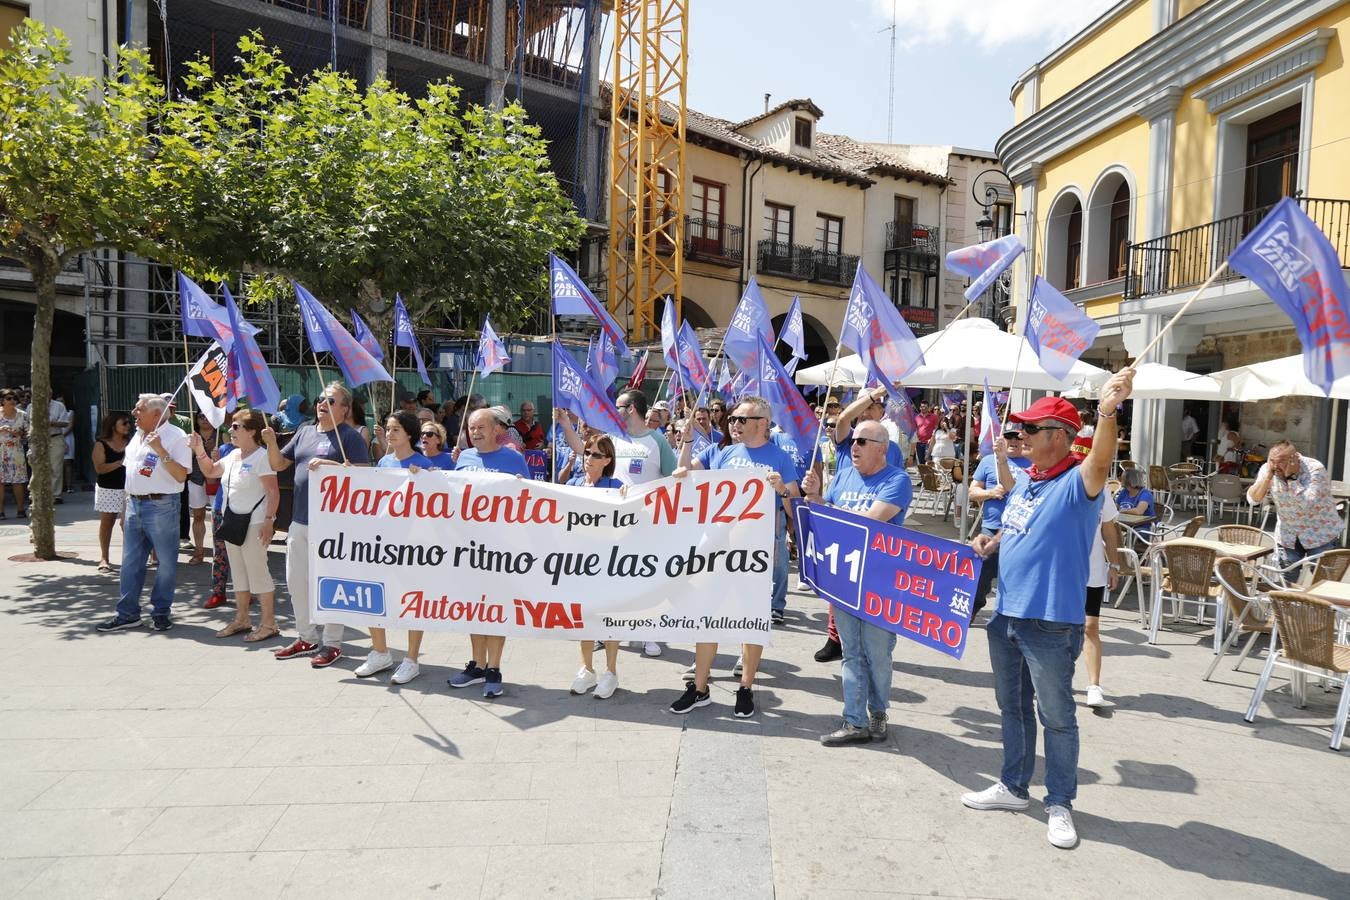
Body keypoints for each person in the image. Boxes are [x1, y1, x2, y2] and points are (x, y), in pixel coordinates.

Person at [962, 369, 1134, 851]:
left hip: (1050, 621)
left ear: (1058, 437)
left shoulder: (1080, 482)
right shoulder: (1025, 481)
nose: (1018, 436)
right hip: (1006, 616)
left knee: (1056, 716)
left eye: (1028, 430)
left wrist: (1104, 412)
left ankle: (1059, 802)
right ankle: (1014, 787)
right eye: (1019, 430)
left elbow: (1100, 459)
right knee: (1011, 708)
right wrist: (990, 541)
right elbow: (1016, 528)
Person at [670, 396, 799, 718]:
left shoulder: (780, 458)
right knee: (707, 616)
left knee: (751, 618)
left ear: (762, 422)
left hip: (754, 550)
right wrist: (686, 440)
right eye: (733, 419)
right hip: (718, 547)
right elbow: (684, 473)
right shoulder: (723, 451)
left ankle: (746, 687)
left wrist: (782, 489)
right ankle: (699, 688)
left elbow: (795, 505)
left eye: (741, 419)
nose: (734, 424)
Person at [801, 419, 912, 745]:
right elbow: (824, 510)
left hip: (880, 580)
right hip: (844, 578)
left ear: (882, 448)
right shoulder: (845, 474)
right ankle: (854, 721)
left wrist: (828, 507)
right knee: (851, 653)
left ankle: (877, 712)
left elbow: (869, 521)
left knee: (878, 654)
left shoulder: (898, 480)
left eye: (862, 441)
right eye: (853, 442)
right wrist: (816, 496)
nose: (854, 446)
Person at [265, 381, 371, 668]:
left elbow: (364, 476)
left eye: (331, 401)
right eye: (320, 399)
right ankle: (306, 637)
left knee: (331, 585)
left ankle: (333, 643)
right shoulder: (304, 432)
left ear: (345, 409)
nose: (323, 404)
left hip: (333, 527)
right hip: (300, 521)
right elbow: (278, 465)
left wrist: (331, 466)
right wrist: (272, 442)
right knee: (296, 583)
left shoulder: (350, 437)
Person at [448, 407, 532, 698]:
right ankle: (477, 665)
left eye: (481, 427)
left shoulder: (513, 459)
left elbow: (529, 499)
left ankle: (494, 668)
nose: (475, 432)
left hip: (500, 550)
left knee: (495, 609)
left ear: (497, 429)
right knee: (474, 609)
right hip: (467, 549)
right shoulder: (463, 459)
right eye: (471, 427)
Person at [96, 394, 192, 633]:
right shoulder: (137, 437)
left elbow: (181, 475)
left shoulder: (176, 437)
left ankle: (160, 612)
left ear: (157, 414)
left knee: (166, 564)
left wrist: (160, 449)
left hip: (162, 506)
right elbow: (133, 472)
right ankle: (127, 614)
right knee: (130, 564)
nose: (133, 413)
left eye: (139, 410)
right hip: (134, 505)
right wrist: (125, 506)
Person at [192, 410, 281, 642]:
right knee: (239, 573)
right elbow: (211, 471)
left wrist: (269, 521)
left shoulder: (262, 456)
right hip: (233, 521)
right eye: (232, 427)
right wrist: (199, 450)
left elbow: (273, 492)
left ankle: (268, 623)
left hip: (255, 523)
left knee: (258, 572)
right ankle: (242, 619)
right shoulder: (233, 456)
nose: (230, 431)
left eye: (236, 427)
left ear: (252, 431)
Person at [358, 410, 433, 683]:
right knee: (374, 595)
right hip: (383, 542)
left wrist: (425, 478)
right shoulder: (385, 461)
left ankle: (411, 659)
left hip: (413, 546)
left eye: (395, 430)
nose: (389, 434)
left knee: (413, 600)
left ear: (409, 434)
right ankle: (379, 651)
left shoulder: (422, 463)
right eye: (388, 429)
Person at [567, 434, 626, 699]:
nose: (589, 458)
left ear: (608, 460)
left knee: (610, 617)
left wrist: (627, 497)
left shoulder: (615, 485)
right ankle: (587, 668)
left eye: (596, 455)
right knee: (584, 618)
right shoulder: (573, 483)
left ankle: (610, 672)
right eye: (587, 453)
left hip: (607, 564)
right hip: (578, 564)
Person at [1070, 429, 1122, 709]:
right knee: (1060, 625)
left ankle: (1093, 685)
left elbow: (1109, 528)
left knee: (1090, 626)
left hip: (1092, 570)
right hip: (1063, 570)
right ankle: (1057, 678)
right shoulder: (1063, 482)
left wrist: (1114, 564)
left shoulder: (1102, 489)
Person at [966, 428, 1032, 619]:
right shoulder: (988, 461)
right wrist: (991, 493)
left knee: (1015, 578)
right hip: (990, 527)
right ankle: (968, 614)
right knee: (980, 576)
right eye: (1009, 437)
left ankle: (1011, 619)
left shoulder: (1034, 463)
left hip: (1021, 531)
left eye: (1018, 437)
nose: (1013, 441)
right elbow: (972, 492)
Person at [1246, 441, 1342, 569]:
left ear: (1295, 459)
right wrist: (1267, 477)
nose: (1275, 466)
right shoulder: (1269, 468)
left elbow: (1306, 505)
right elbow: (1253, 500)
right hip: (1288, 536)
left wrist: (1291, 478)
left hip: (1320, 535)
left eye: (1281, 461)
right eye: (1272, 460)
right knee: (1286, 584)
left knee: (1324, 583)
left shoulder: (1315, 469)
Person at [91, 411, 131, 572]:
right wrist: (122, 462)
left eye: (129, 423)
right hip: (108, 488)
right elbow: (100, 468)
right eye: (124, 423)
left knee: (130, 525)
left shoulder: (131, 442)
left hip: (129, 488)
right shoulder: (101, 444)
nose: (129, 426)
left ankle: (131, 558)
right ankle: (104, 558)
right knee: (107, 523)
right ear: (113, 425)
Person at [204, 438, 235, 610]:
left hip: (246, 510)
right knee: (220, 554)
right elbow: (211, 480)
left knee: (244, 555)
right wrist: (211, 462)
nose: (231, 431)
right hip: (220, 507)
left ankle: (245, 592)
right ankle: (218, 593)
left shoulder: (259, 452)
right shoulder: (224, 449)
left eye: (237, 426)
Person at [185, 412, 218, 565]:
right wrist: (195, 448)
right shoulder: (192, 436)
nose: (204, 419)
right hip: (196, 479)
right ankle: (199, 551)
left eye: (207, 416)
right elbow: (185, 456)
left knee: (218, 517)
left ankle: (220, 552)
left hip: (216, 480)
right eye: (201, 417)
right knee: (198, 516)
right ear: (196, 420)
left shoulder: (221, 435)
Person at [26, 388, 69, 503]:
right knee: (37, 467)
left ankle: (56, 495)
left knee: (56, 467)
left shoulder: (59, 406)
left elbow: (65, 422)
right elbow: (27, 423)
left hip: (55, 437)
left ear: (51, 394)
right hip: (38, 440)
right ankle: (38, 494)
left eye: (47, 393)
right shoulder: (31, 406)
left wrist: (50, 423)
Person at [1, 389, 30, 518]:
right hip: (0, 450)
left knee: (17, 481)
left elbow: (29, 432)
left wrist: (18, 433)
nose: (12, 401)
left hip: (16, 450)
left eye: (14, 398)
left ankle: (20, 510)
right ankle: (1, 512)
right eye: (9, 398)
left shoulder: (22, 415)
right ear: (2, 400)